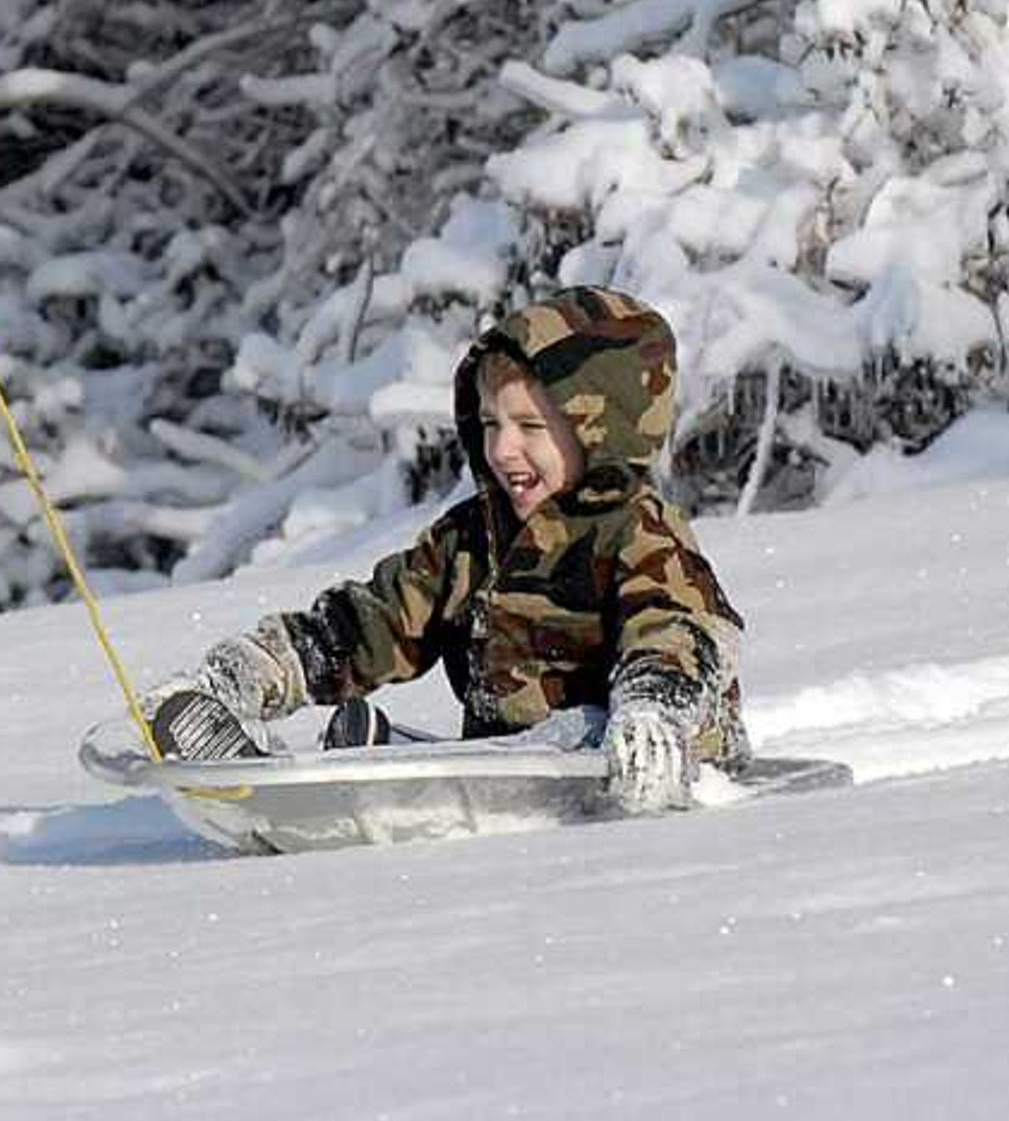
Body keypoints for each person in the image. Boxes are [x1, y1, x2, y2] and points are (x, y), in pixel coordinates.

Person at [143, 286, 747, 814]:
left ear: (602, 431)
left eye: (531, 429)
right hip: (511, 766)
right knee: (467, 743)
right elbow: (377, 620)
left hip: (644, 757)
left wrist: (653, 708)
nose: (503, 450)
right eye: (490, 425)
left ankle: (400, 767)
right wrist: (263, 667)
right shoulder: (473, 538)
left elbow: (676, 630)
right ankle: (379, 760)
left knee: (584, 727)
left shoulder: (639, 532)